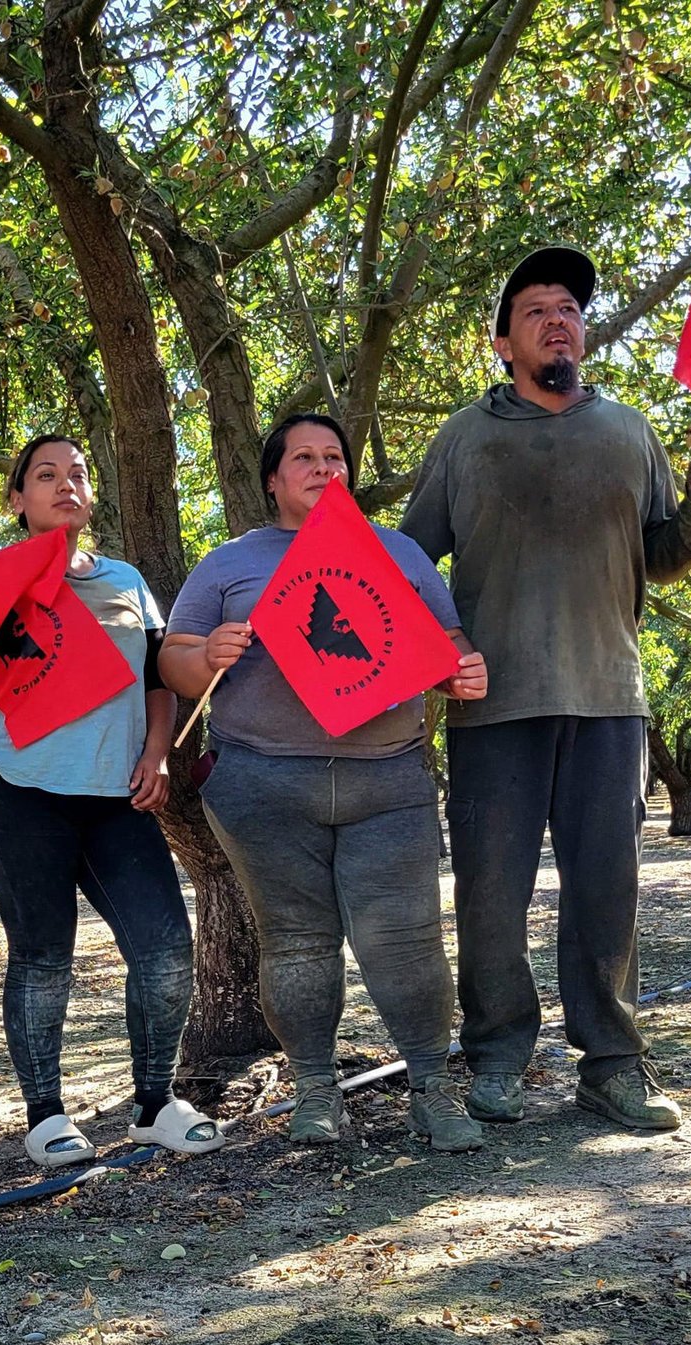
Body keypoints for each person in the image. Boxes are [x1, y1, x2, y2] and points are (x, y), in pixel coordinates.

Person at [400, 245, 691, 1132]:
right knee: (490, 896)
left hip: (609, 696)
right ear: (503, 342)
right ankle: (497, 1057)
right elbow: (408, 563)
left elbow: (661, 558)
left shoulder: (628, 432)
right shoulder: (464, 437)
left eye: (570, 310)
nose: (558, 321)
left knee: (606, 892)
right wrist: (446, 646)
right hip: (491, 704)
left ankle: (613, 1065)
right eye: (537, 310)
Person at [161, 414, 489, 1152]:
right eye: (303, 458)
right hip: (264, 787)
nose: (321, 468)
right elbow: (175, 661)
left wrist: (461, 670)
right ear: (272, 479)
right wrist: (205, 653)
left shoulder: (397, 552)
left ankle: (433, 1089)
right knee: (297, 943)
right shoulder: (229, 563)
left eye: (334, 457)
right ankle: (315, 1090)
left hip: (389, 782)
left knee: (406, 942)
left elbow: (448, 643)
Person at [0, 434, 220, 1167]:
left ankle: (155, 1104)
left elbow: (157, 678)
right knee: (43, 958)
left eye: (78, 474)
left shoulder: (126, 579)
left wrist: (157, 754)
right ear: (17, 499)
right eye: (46, 475)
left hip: (118, 798)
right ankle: (46, 1115)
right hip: (23, 792)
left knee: (165, 950)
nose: (65, 485)